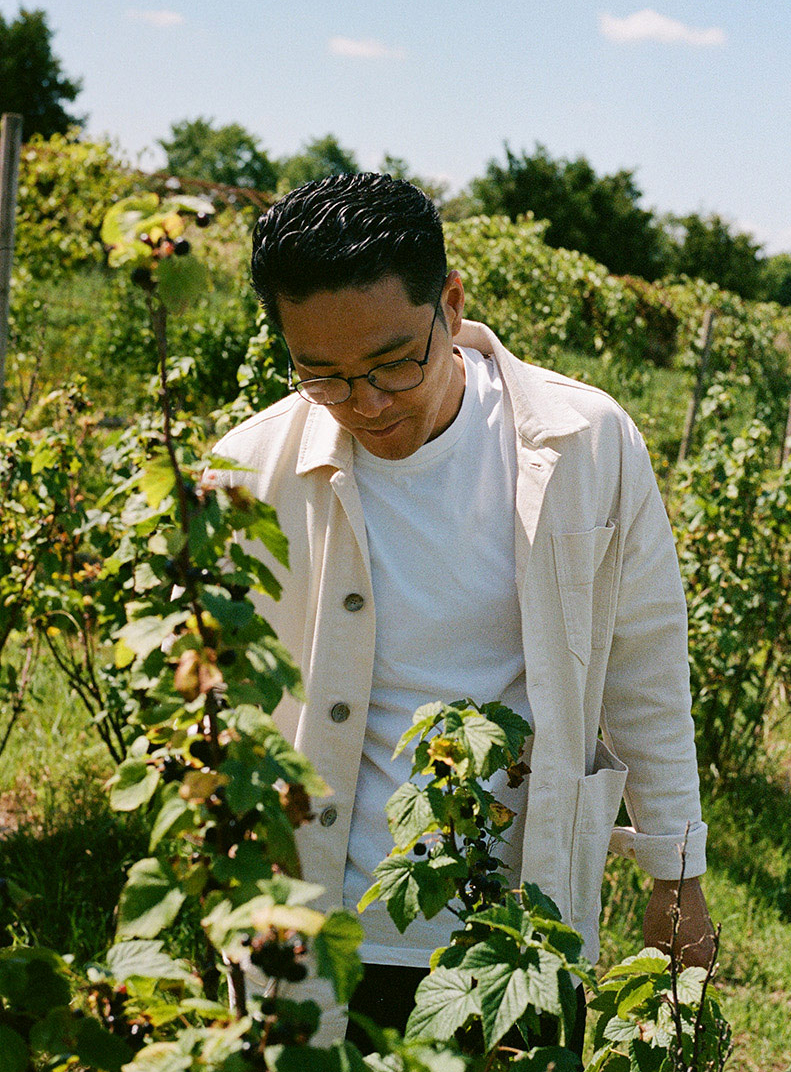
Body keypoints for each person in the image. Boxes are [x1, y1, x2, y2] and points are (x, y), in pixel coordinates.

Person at [210, 172, 713, 1047]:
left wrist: (676, 871)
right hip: (311, 925)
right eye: (321, 375)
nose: (365, 404)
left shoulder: (582, 445)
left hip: (520, 935)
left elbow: (645, 664)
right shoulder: (248, 474)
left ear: (449, 303)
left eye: (393, 363)